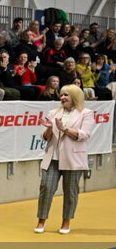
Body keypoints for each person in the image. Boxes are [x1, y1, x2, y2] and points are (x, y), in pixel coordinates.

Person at [35, 85, 94, 235]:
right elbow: (46, 137)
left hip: (73, 159)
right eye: (61, 95)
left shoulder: (86, 114)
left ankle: (66, 222)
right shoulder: (53, 112)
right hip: (53, 158)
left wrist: (64, 129)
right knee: (46, 188)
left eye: (66, 95)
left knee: (70, 192)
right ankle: (41, 220)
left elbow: (84, 135)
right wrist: (49, 128)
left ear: (75, 96)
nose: (62, 98)